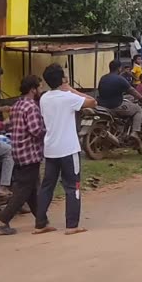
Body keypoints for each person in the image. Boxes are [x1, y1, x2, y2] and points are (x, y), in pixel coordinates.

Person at [36, 64, 96, 235]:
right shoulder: (68, 97)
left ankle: (40, 223)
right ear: (62, 79)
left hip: (51, 148)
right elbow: (93, 102)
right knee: (73, 186)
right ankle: (72, 224)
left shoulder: (44, 98)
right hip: (69, 148)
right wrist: (70, 89)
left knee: (47, 186)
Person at [0, 75, 44, 235]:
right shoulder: (31, 107)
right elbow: (36, 131)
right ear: (33, 89)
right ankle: (2, 220)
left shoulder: (16, 105)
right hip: (30, 153)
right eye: (39, 87)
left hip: (18, 152)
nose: (41, 90)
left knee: (32, 189)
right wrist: (50, 132)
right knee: (24, 190)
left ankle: (42, 221)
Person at [97, 60, 142, 144]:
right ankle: (135, 132)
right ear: (119, 68)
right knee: (137, 109)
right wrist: (141, 98)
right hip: (115, 106)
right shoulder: (120, 79)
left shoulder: (103, 78)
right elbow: (132, 90)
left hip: (102, 106)